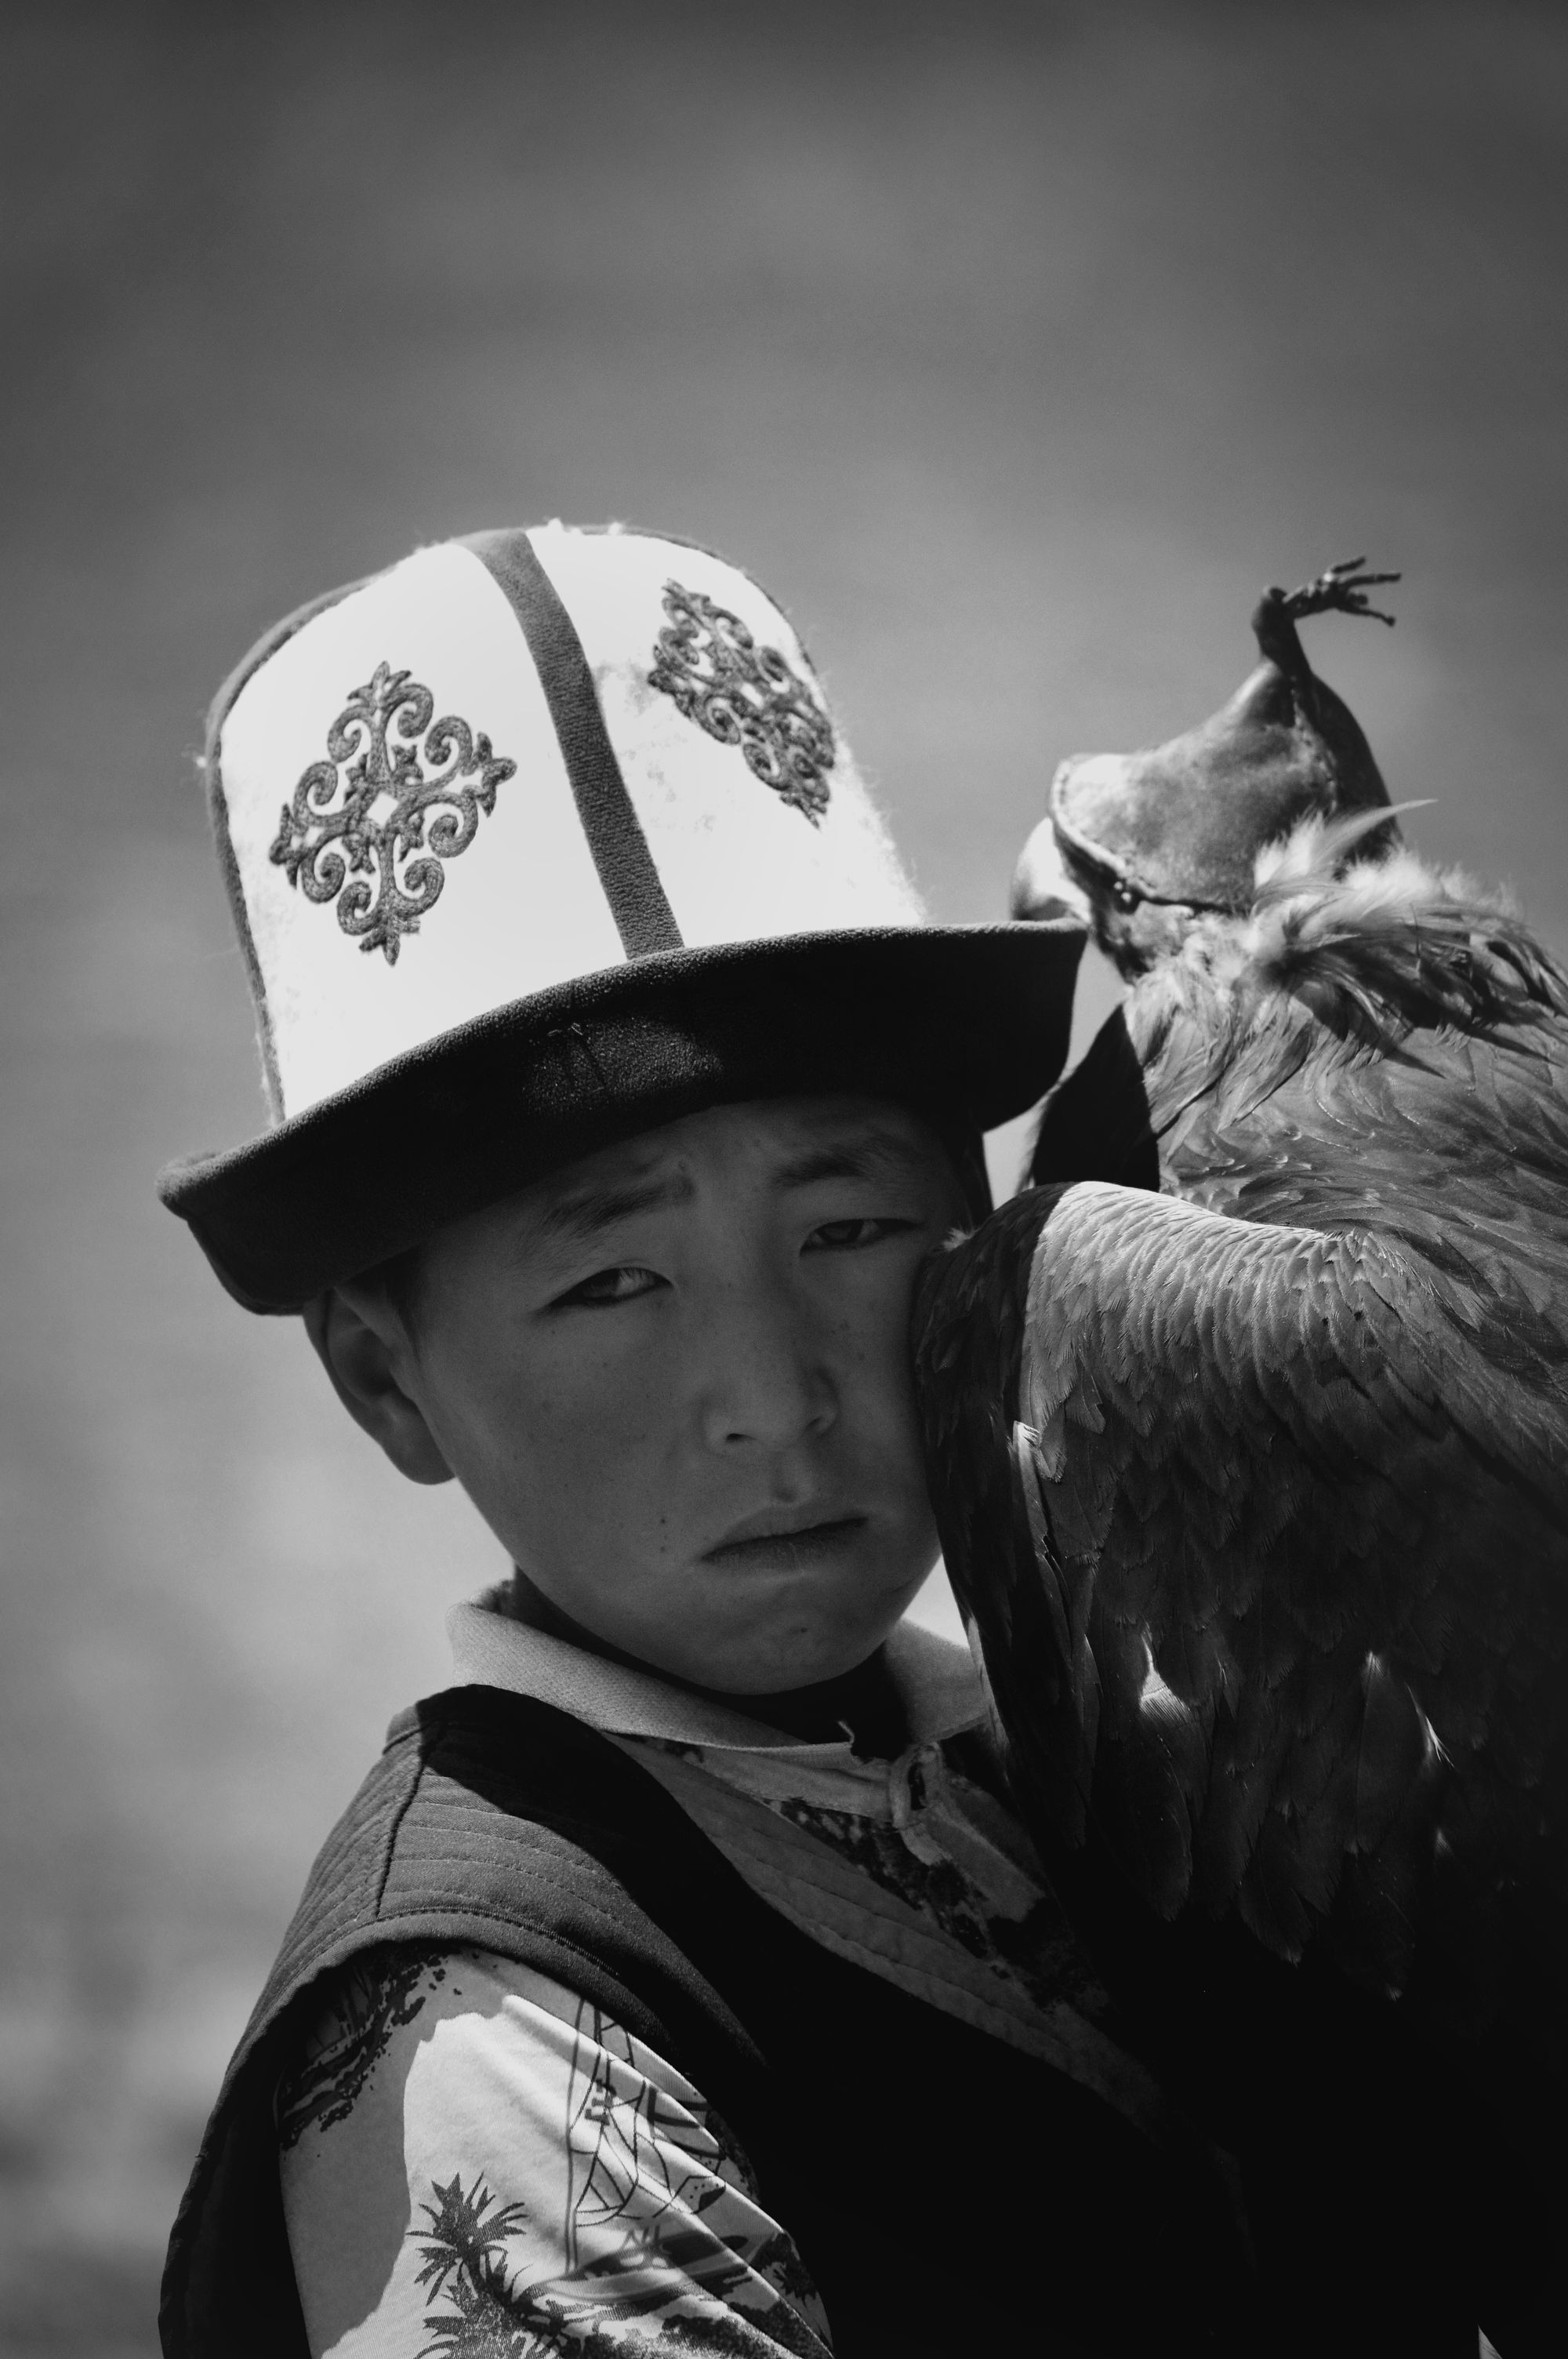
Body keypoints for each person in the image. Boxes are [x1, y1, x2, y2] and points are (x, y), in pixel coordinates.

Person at [157, 523, 1233, 2358]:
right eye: (610, 1283)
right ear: (386, 1381)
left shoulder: (1062, 1761)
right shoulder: (498, 2036)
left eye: (848, 1231)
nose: (774, 1390)